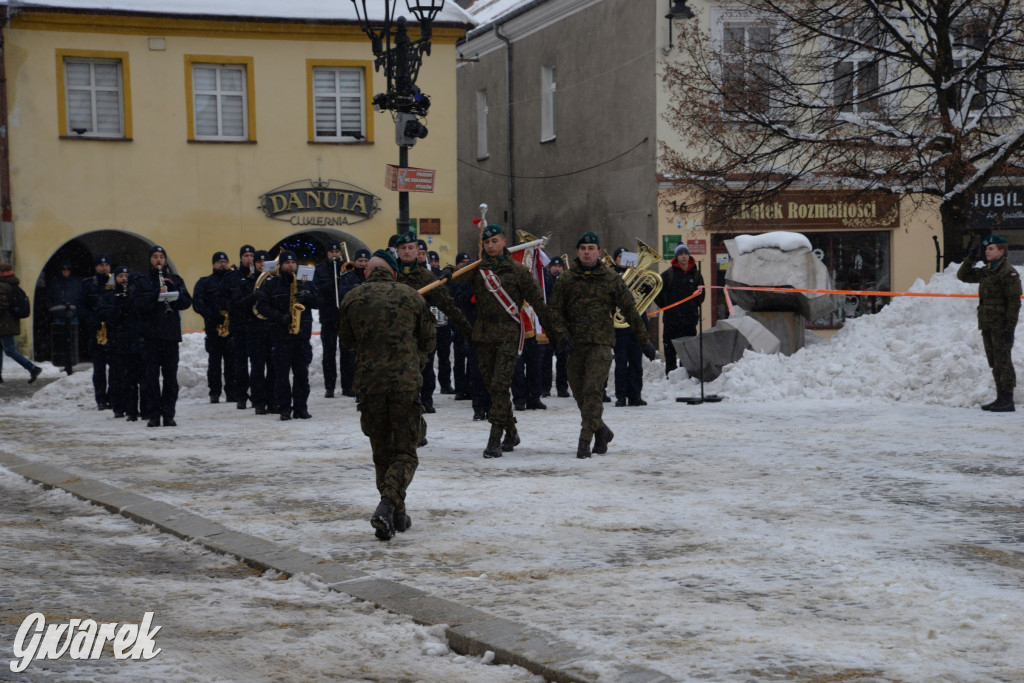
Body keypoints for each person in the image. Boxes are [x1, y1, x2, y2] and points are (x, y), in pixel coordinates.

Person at [338, 250, 436, 541]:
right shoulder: (412, 296)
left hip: (370, 386)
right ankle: (389, 504)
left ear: (368, 272)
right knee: (406, 453)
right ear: (394, 272)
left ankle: (396, 516)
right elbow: (429, 339)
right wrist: (413, 362)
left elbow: (346, 341)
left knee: (382, 453)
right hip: (404, 385)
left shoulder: (352, 298)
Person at [450, 224, 564, 458]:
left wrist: (557, 335)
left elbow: (538, 304)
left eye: (495, 241)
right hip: (483, 334)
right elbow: (455, 279)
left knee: (501, 385)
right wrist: (446, 272)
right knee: (492, 386)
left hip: (509, 334)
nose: (490, 246)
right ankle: (511, 431)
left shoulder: (518, 271)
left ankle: (495, 438)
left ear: (504, 242)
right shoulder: (477, 269)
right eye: (486, 242)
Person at [549, 232, 656, 459]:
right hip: (574, 345)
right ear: (578, 251)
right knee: (579, 394)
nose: (587, 252)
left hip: (600, 343)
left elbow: (630, 310)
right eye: (583, 248)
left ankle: (584, 440)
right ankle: (602, 431)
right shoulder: (566, 280)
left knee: (592, 391)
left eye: (591, 248)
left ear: (599, 251)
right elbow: (554, 311)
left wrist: (644, 340)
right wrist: (561, 335)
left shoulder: (611, 279)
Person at [393, 231, 472, 414]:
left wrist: (469, 332)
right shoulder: (390, 275)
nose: (407, 251)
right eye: (403, 248)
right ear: (397, 250)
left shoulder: (427, 278)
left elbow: (449, 306)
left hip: (419, 338)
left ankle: (425, 404)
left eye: (410, 248)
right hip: (395, 338)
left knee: (424, 375)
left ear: (417, 250)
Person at [957, 235, 1021, 412]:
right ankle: (1000, 397)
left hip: (1001, 325)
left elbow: (1014, 302)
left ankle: (1007, 399)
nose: (987, 252)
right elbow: (963, 276)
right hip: (987, 323)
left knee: (1003, 361)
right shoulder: (987, 270)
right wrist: (970, 259)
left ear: (1002, 251)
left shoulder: (1008, 271)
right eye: (986, 249)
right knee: (994, 361)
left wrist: (1010, 328)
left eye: (991, 249)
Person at [254, 250, 320, 421]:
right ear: (281, 265)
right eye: (287, 263)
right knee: (281, 376)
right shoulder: (271, 284)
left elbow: (319, 302)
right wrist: (280, 316)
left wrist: (308, 296)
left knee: (302, 375)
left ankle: (301, 408)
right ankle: (284, 409)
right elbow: (261, 306)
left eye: (293, 263)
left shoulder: (305, 283)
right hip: (280, 336)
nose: (290, 266)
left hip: (301, 336)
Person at [130, 246, 192, 427]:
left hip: (170, 336)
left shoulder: (175, 279)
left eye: (162, 257)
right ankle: (153, 414)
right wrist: (155, 295)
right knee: (150, 378)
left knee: (170, 378)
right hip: (150, 336)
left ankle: (168, 413)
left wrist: (173, 291)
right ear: (150, 260)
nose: (158, 260)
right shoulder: (142, 281)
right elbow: (135, 304)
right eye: (155, 257)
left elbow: (187, 302)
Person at [193, 251, 237, 404]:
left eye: (225, 261)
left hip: (230, 328)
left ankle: (232, 392)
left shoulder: (233, 281)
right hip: (213, 328)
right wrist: (211, 314)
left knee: (231, 362)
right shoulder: (204, 282)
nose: (223, 264)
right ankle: (214, 392)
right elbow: (197, 303)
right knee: (214, 363)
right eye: (219, 261)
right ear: (213, 264)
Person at [654, 243, 705, 376]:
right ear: (676, 257)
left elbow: (701, 295)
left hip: (689, 321)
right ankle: (670, 377)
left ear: (689, 256)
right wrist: (666, 306)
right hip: (671, 321)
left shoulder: (696, 275)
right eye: (681, 254)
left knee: (688, 352)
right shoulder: (668, 275)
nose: (684, 257)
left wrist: (692, 307)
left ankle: (687, 376)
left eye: (685, 254)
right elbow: (656, 293)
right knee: (670, 350)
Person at [100, 265, 142, 421]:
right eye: (121, 276)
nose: (124, 279)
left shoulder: (135, 295)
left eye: (126, 276)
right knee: (117, 376)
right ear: (115, 279)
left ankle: (133, 407)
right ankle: (118, 406)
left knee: (134, 377)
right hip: (117, 341)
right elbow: (106, 315)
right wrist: (118, 302)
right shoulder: (109, 296)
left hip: (134, 340)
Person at [610, 247, 649, 407]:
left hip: (635, 325)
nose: (622, 259)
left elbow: (646, 300)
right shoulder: (611, 275)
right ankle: (621, 396)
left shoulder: (638, 275)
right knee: (621, 363)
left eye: (625, 256)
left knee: (636, 363)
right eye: (619, 256)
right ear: (615, 259)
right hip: (619, 326)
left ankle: (635, 395)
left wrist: (645, 289)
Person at [239, 249, 274, 415]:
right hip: (254, 330)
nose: (261, 264)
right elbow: (238, 305)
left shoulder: (275, 281)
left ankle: (273, 401)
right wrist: (254, 296)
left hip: (273, 329)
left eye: (264, 262)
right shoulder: (247, 282)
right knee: (258, 368)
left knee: (274, 367)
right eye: (258, 262)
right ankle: (259, 401)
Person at [313, 241, 348, 398]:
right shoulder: (319, 270)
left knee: (347, 352)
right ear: (327, 253)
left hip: (344, 316)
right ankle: (329, 386)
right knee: (329, 353)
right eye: (331, 252)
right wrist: (333, 281)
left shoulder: (346, 267)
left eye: (337, 252)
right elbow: (316, 290)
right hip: (328, 315)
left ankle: (348, 386)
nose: (335, 255)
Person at [223, 245, 256, 409]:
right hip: (239, 325)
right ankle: (241, 396)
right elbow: (226, 298)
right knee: (240, 364)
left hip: (255, 325)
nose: (249, 259)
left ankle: (257, 396)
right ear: (240, 258)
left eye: (251, 255)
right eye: (246, 255)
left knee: (257, 363)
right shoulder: (232, 277)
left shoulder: (260, 275)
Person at [80, 253, 114, 409]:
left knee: (116, 366)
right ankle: (101, 399)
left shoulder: (115, 282)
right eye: (101, 265)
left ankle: (113, 397)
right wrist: (92, 319)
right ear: (96, 267)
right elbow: (81, 306)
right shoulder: (88, 285)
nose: (104, 267)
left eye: (106, 265)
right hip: (97, 329)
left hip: (113, 329)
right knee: (99, 367)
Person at [336, 248, 371, 398]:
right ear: (355, 262)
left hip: (369, 321)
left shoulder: (373, 277)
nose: (363, 264)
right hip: (351, 323)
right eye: (360, 261)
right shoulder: (347, 277)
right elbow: (343, 296)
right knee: (349, 357)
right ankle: (348, 387)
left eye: (365, 261)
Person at [0, 262, 43, 383]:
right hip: (7, 323)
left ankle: (32, 368)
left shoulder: (2, 286)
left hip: (5, 324)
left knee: (9, 350)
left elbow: (2, 305)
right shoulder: (11, 284)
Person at [541, 256, 570, 399]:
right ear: (550, 267)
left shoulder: (566, 281)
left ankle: (562, 388)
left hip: (562, 325)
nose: (557, 269)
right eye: (554, 266)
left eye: (560, 267)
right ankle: (545, 387)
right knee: (546, 358)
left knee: (563, 358)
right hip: (547, 324)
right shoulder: (545, 280)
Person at [429, 250, 455, 395]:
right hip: (430, 324)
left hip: (443, 323)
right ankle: (429, 387)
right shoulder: (424, 274)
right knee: (428, 358)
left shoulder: (441, 275)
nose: (433, 263)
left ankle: (446, 384)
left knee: (444, 357)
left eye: (435, 261)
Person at [449, 251, 474, 400]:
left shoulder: (471, 279)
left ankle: (470, 387)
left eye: (467, 263)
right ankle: (460, 388)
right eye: (462, 264)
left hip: (470, 323)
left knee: (472, 358)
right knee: (459, 358)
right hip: (458, 322)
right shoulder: (455, 279)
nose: (465, 266)